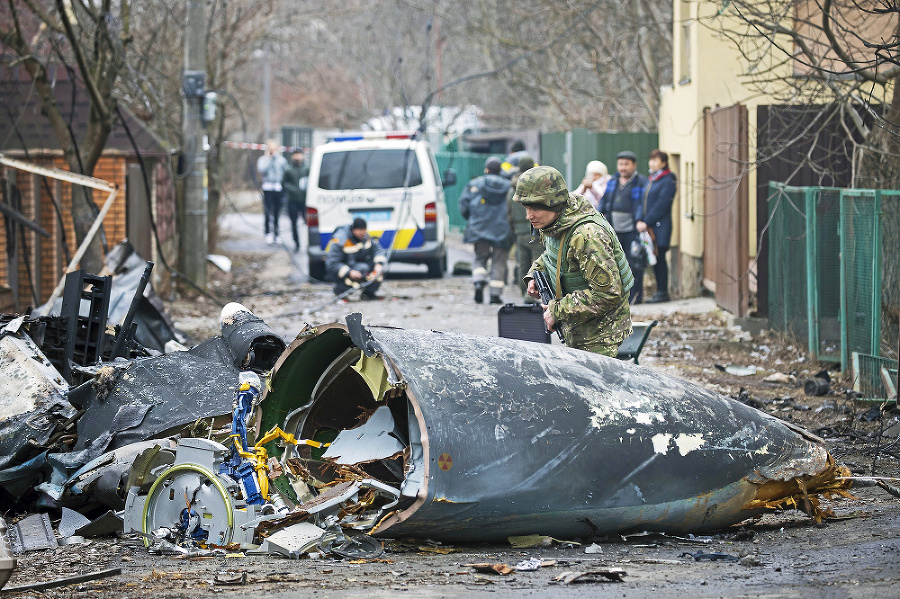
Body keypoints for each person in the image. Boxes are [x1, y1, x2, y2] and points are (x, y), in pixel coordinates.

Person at [514, 165, 633, 357]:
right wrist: (534, 274)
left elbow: (608, 294)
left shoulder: (587, 236)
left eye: (535, 208)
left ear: (552, 203)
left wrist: (556, 311)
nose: (529, 216)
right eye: (526, 208)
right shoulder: (558, 222)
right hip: (579, 328)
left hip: (601, 336)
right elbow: (554, 256)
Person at [458, 156, 513, 304]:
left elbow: (464, 206)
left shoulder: (474, 184)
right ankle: (495, 295)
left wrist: (472, 220)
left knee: (480, 257)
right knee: (498, 261)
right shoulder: (509, 187)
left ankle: (479, 281)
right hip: (502, 229)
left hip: (479, 228)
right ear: (500, 170)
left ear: (486, 170)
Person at [598, 150, 649, 304]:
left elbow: (643, 205)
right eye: (620, 164)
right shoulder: (613, 180)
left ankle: (636, 297)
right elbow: (604, 201)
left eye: (626, 164)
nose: (623, 168)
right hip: (614, 230)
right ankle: (619, 297)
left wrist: (640, 220)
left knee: (634, 264)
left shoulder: (641, 182)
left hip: (632, 231)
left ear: (634, 165)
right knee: (614, 264)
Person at [637, 149, 677, 303]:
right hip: (648, 227)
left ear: (664, 163)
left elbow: (662, 204)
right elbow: (643, 202)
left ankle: (662, 292)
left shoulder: (668, 179)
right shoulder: (652, 179)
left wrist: (647, 221)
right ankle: (659, 291)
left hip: (660, 227)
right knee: (653, 258)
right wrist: (640, 219)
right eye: (650, 159)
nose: (651, 163)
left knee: (660, 259)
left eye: (655, 160)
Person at [506, 155, 542, 301]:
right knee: (539, 263)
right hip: (536, 231)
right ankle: (537, 294)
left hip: (520, 232)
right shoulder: (535, 187)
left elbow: (508, 214)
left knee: (523, 264)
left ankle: (524, 294)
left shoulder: (512, 189)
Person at [325, 217, 386, 300]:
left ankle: (369, 293)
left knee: (378, 271)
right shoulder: (340, 240)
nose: (363, 232)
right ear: (353, 230)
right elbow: (332, 263)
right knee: (363, 269)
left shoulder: (365, 237)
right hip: (345, 270)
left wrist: (379, 264)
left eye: (364, 229)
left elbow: (378, 250)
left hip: (360, 266)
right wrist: (349, 272)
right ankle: (340, 291)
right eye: (361, 230)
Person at [256, 140, 288, 245]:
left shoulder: (282, 160)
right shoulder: (263, 160)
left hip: (278, 188)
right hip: (268, 187)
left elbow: (286, 172)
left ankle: (276, 234)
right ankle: (267, 233)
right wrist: (269, 159)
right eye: (271, 149)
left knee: (277, 212)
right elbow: (262, 169)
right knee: (267, 211)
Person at [281, 148, 309, 253]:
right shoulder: (289, 170)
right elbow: (283, 184)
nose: (297, 157)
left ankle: (308, 243)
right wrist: (293, 190)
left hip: (305, 201)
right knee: (294, 223)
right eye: (295, 154)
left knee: (308, 223)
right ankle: (296, 243)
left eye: (299, 154)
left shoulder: (306, 169)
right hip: (292, 200)